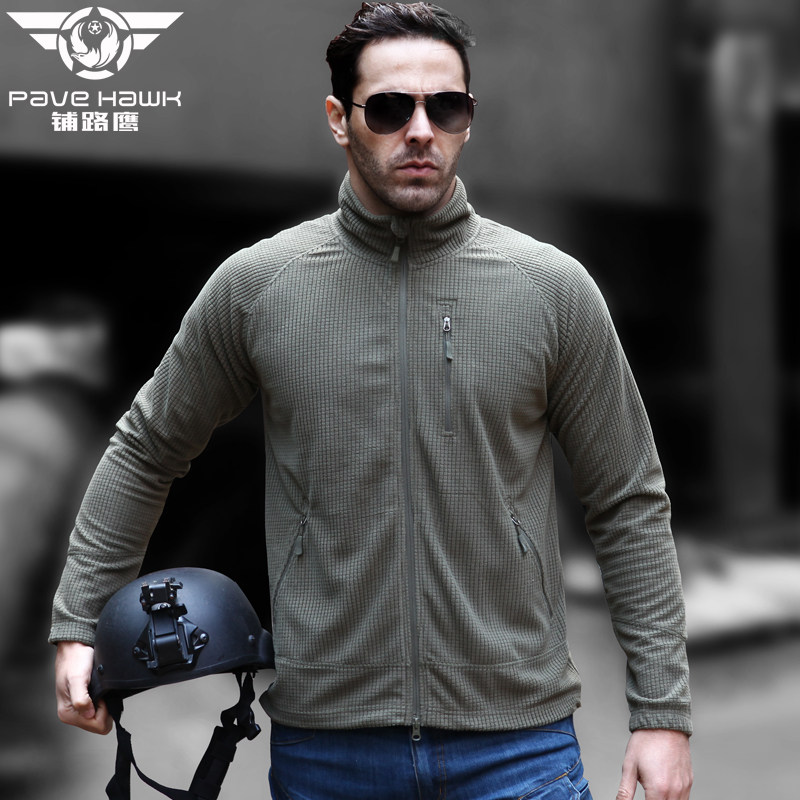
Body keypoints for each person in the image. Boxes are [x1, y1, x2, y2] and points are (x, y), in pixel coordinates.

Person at [51, 3, 693, 799]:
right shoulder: (258, 287)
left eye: (445, 107)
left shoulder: (551, 291)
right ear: (339, 119)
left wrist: (662, 713)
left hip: (519, 752)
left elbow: (628, 497)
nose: (420, 130)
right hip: (330, 754)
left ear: (468, 119)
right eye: (389, 108)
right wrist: (80, 621)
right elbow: (146, 448)